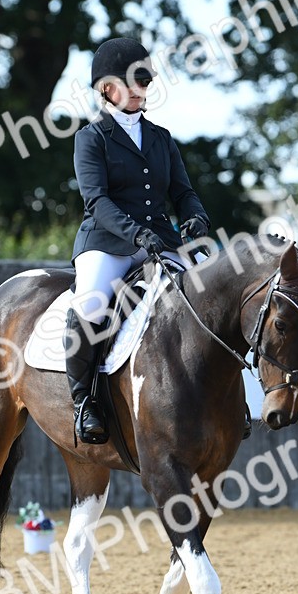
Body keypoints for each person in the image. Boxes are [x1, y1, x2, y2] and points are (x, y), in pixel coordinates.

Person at [65, 37, 211, 444]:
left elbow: (182, 192)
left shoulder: (162, 138)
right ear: (106, 88)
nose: (141, 88)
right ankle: (84, 402)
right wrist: (136, 233)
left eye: (145, 79)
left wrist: (196, 215)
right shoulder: (91, 138)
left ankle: (224, 397)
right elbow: (97, 201)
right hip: (106, 242)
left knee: (207, 296)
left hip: (159, 241)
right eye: (133, 80)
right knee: (90, 303)